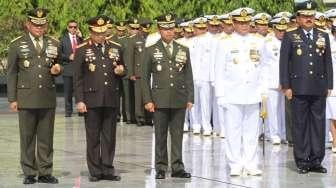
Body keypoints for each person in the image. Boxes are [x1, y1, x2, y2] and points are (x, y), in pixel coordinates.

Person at [7, 8, 61, 184]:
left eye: (42, 25)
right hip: (26, 97)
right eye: (35, 25)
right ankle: (29, 172)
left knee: (46, 137)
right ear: (28, 24)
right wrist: (12, 99)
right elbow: (12, 73)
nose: (39, 28)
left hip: (46, 96)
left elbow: (58, 64)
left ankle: (45, 171)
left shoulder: (53, 43)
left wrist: (57, 69)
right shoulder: (16, 44)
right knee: (27, 137)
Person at [280, 0, 333, 174]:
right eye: (305, 16)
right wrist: (286, 86)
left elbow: (328, 62)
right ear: (298, 18)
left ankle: (316, 160)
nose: (309, 19)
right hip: (298, 87)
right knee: (300, 125)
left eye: (311, 16)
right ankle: (302, 160)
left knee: (318, 125)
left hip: (318, 87)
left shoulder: (323, 35)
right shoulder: (290, 36)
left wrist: (329, 84)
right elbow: (284, 63)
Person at [215, 7, 267, 176]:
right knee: (233, 131)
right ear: (234, 23)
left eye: (246, 22)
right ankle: (235, 163)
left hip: (253, 93)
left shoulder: (259, 41)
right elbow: (219, 70)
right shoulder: (225, 43)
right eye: (240, 22)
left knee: (252, 132)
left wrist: (263, 91)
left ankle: (251, 163)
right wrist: (220, 95)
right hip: (232, 93)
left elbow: (264, 67)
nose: (244, 25)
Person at [141, 13, 194, 179]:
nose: (169, 32)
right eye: (165, 29)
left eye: (172, 28)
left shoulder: (183, 49)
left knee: (178, 135)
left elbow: (188, 75)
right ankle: (161, 167)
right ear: (159, 30)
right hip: (159, 99)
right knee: (161, 135)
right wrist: (148, 100)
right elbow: (144, 77)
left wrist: (190, 97)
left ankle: (178, 167)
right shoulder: (151, 50)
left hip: (179, 98)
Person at [73, 15, 125, 181]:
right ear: (90, 32)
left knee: (109, 137)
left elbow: (123, 68)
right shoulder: (82, 49)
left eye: (103, 33)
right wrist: (80, 100)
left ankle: (108, 169)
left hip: (110, 97)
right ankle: (95, 171)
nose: (101, 36)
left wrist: (121, 71)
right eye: (97, 33)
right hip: (91, 99)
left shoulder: (116, 47)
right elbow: (78, 78)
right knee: (93, 137)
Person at [261, 17, 289, 145]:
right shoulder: (267, 43)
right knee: (272, 109)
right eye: (279, 30)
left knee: (283, 110)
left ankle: (283, 134)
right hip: (272, 81)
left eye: (284, 30)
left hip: (286, 82)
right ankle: (274, 134)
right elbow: (264, 64)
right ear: (274, 29)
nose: (282, 33)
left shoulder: (288, 41)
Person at [59, 19, 83, 117]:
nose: (73, 29)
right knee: (68, 92)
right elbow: (59, 54)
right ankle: (68, 111)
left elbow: (86, 48)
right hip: (68, 68)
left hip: (79, 69)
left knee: (79, 91)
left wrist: (81, 37)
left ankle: (81, 110)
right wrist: (68, 57)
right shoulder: (62, 39)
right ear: (67, 28)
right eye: (71, 27)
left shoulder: (80, 38)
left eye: (75, 27)